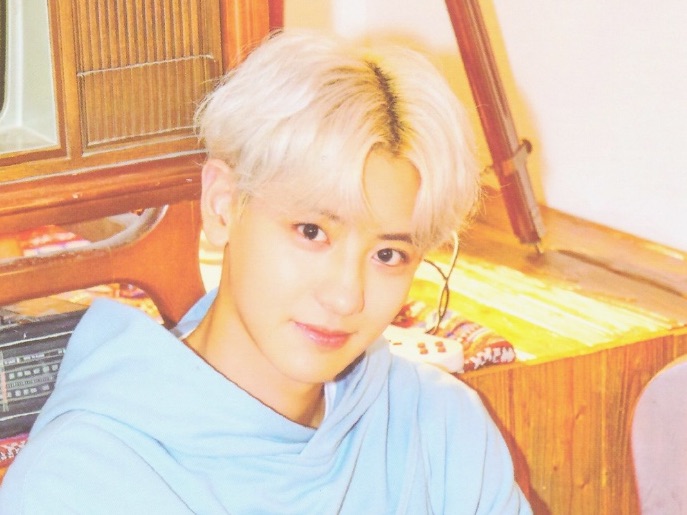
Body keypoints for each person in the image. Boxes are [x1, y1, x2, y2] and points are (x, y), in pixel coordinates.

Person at [0, 30, 531, 514]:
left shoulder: (442, 430)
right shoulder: (80, 481)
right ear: (223, 205)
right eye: (312, 231)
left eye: (388, 255)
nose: (345, 296)